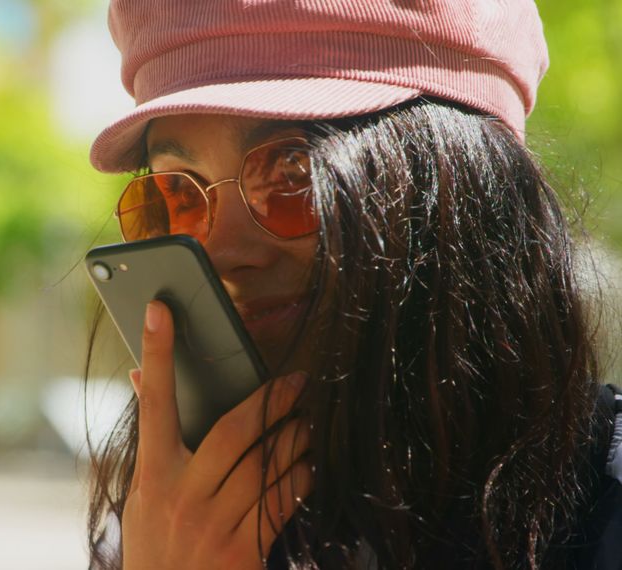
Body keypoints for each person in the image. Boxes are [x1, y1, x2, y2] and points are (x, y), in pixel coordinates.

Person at [83, 1, 622, 568]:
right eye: (179, 194)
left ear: (469, 187)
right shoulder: (161, 531)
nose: (221, 252)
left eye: (296, 173)